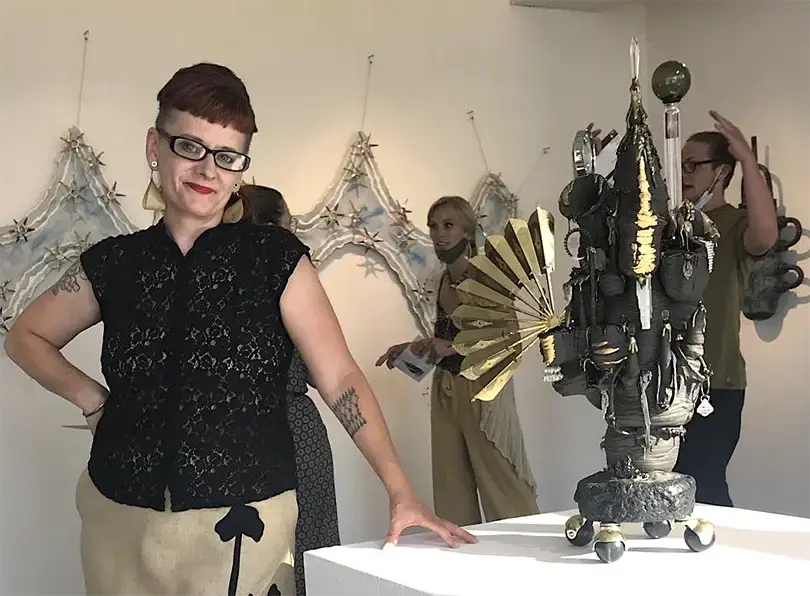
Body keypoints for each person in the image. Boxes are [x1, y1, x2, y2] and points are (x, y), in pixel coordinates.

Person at [4, 63, 475, 596]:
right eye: (190, 147)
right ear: (155, 147)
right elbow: (26, 336)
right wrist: (91, 399)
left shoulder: (275, 260)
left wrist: (400, 489)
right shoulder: (113, 263)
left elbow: (339, 375)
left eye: (227, 156)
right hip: (119, 521)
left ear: (240, 170)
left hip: (245, 524)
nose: (208, 169)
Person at [589, 111, 778, 506]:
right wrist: (595, 170)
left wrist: (746, 158)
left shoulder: (731, 224)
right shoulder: (666, 227)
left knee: (703, 485)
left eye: (693, 165)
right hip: (657, 379)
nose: (683, 174)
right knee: (654, 484)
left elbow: (765, 234)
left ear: (721, 172)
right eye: (679, 165)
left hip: (713, 382)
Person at [376, 195, 539, 527]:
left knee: (502, 485)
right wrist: (416, 349)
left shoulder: (487, 277)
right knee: (451, 486)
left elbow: (510, 339)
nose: (439, 234)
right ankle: (461, 549)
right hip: (446, 387)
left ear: (467, 231)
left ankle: (524, 548)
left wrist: (449, 347)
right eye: (434, 226)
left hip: (483, 390)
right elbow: (450, 337)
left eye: (448, 225)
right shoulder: (444, 280)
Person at [240, 183, 339, 596]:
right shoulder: (291, 267)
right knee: (310, 541)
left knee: (246, 549)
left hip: (233, 429)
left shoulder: (216, 270)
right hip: (293, 425)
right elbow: (322, 368)